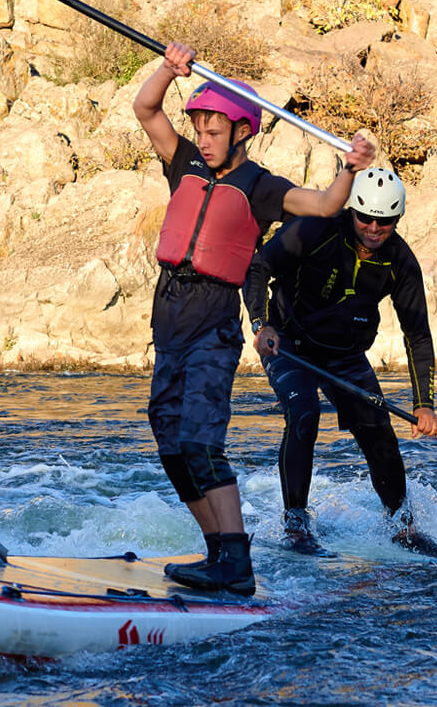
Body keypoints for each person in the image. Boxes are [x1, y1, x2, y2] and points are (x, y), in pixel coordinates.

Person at [132, 41, 375, 596]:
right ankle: (219, 554)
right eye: (200, 129)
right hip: (168, 322)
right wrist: (168, 70)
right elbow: (146, 110)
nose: (204, 139)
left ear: (242, 131)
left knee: (200, 443)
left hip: (212, 328)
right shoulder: (185, 162)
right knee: (170, 444)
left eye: (215, 131)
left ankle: (236, 563)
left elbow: (324, 205)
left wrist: (349, 168)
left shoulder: (260, 185)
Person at [243, 166, 437, 558]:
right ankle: (296, 523)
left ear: (397, 219)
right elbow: (259, 268)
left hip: (345, 354)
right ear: (352, 210)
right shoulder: (314, 229)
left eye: (385, 221)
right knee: (304, 413)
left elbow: (417, 334)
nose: (374, 228)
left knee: (379, 432)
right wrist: (261, 324)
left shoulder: (400, 262)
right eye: (366, 218)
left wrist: (424, 404)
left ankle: (402, 527)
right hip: (287, 342)